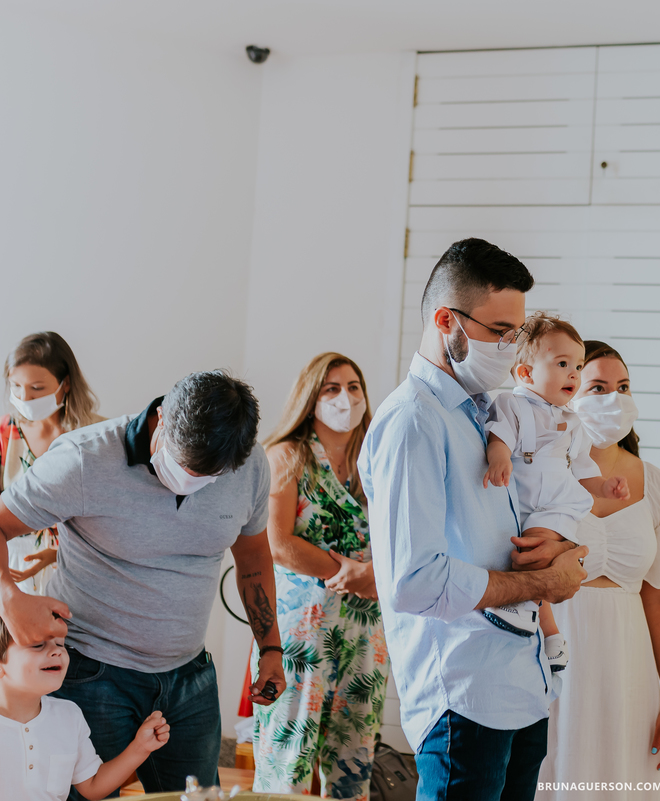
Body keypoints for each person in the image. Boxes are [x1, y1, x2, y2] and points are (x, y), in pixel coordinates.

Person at [359, 238, 589, 801]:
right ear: (448, 322)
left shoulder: (490, 412)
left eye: (517, 332)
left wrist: (560, 547)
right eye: (501, 332)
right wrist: (542, 583)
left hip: (522, 684)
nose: (512, 348)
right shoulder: (413, 422)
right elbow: (414, 582)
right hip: (464, 697)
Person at [0, 369, 287, 794]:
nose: (192, 483)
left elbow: (253, 559)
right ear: (162, 417)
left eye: (209, 476)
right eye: (185, 465)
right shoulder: (85, 458)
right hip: (93, 672)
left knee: (198, 798)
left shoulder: (247, 465)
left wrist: (271, 648)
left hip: (189, 676)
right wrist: (9, 598)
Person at [536, 341, 660, 801]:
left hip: (628, 663)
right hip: (552, 652)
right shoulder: (541, 474)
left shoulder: (656, 484)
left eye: (623, 387)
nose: (614, 399)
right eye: (599, 388)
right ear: (568, 392)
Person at [253, 353, 388, 801]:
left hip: (366, 629)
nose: (345, 398)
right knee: (287, 758)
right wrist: (350, 573)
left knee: (354, 757)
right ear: (311, 399)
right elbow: (277, 542)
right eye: (332, 388)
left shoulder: (378, 455)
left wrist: (375, 576)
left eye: (353, 386)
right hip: (301, 631)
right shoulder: (287, 455)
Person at [482, 312, 628, 667]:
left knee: (538, 553)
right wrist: (498, 457)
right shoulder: (512, 404)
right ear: (526, 373)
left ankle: (523, 608)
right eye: (563, 364)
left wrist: (604, 486)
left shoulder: (573, 422)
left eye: (577, 366)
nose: (573, 374)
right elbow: (499, 436)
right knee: (537, 564)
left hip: (557, 504)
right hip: (521, 501)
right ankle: (552, 636)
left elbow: (582, 469)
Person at [0, 618, 170, 801]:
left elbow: (92, 785)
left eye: (60, 644)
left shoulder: (69, 715)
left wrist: (141, 747)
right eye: (38, 645)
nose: (57, 651)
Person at [2, 332, 103, 594]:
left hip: (80, 572)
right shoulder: (5, 433)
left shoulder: (99, 436)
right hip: (15, 570)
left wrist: (59, 554)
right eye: (15, 386)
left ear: (65, 383)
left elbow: (115, 515)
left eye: (37, 388)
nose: (24, 398)